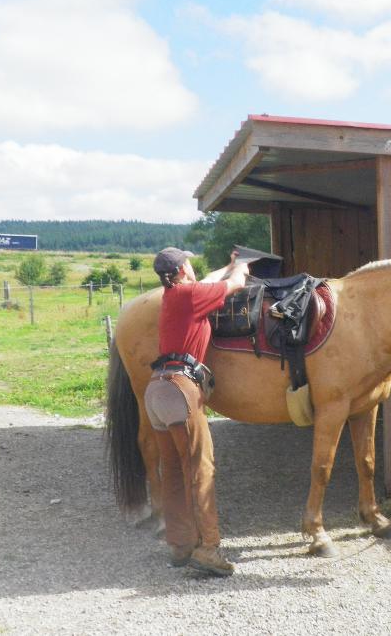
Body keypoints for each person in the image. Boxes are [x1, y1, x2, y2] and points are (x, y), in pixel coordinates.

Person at [144, 246, 248, 576]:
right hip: (180, 389)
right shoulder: (189, 295)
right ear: (182, 270)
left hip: (156, 391)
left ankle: (180, 545)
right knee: (201, 470)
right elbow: (235, 285)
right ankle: (209, 548)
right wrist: (242, 266)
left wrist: (228, 265)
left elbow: (211, 282)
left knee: (173, 470)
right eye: (188, 263)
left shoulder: (175, 295)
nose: (192, 267)